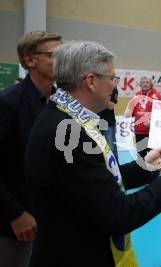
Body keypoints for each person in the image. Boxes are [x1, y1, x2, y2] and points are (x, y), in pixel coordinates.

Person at [24, 41, 161, 266]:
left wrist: (145, 166)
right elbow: (118, 215)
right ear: (91, 81)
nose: (115, 87)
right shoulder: (69, 132)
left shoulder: (65, 118)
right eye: (112, 79)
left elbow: (95, 183)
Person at [0, 31, 62, 267]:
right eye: (53, 55)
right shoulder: (8, 103)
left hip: (52, 219)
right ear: (30, 60)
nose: (61, 61)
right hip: (16, 224)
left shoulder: (61, 102)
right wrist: (15, 213)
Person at [124, 76, 161, 159]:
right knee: (141, 157)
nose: (145, 84)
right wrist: (128, 109)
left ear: (151, 84)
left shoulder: (157, 96)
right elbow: (131, 113)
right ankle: (143, 172)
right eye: (143, 82)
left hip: (153, 133)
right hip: (139, 132)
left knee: (154, 158)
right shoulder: (136, 96)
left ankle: (155, 172)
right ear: (140, 84)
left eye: (147, 82)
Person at [99, 86, 119, 161]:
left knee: (112, 148)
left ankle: (117, 169)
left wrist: (100, 95)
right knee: (96, 147)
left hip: (108, 122)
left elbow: (110, 106)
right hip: (96, 121)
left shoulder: (112, 88)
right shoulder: (95, 87)